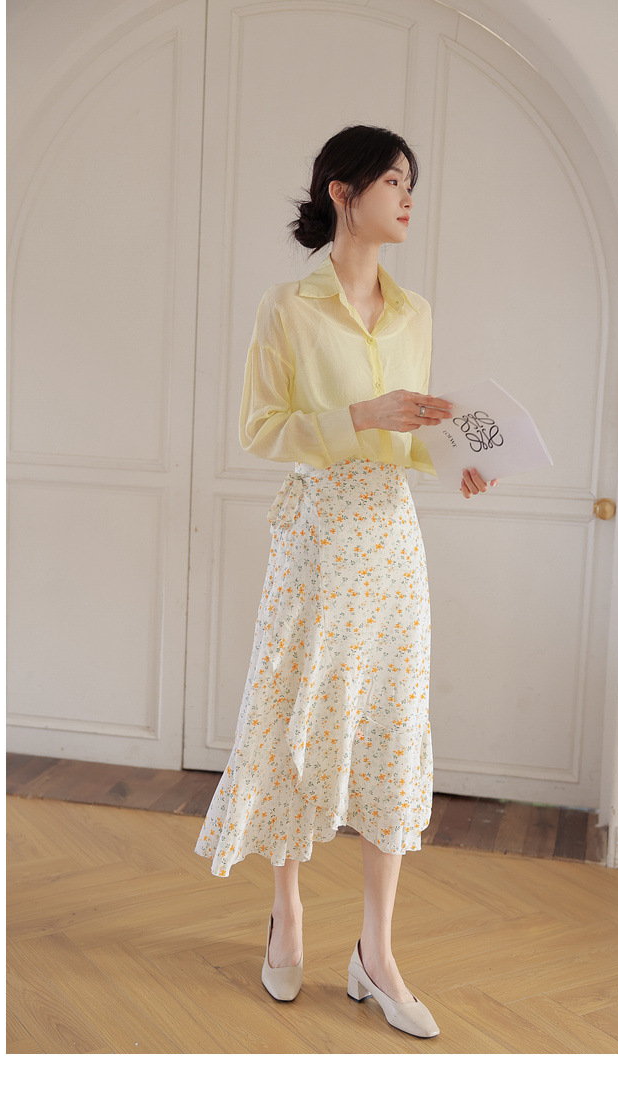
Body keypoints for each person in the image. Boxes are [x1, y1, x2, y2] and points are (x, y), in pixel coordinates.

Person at [194, 123, 497, 1038]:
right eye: (394, 180)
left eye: (412, 183)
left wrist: (456, 463)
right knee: (297, 713)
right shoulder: (287, 308)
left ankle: (376, 952)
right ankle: (286, 911)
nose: (408, 197)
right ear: (342, 191)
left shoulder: (416, 313)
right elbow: (260, 429)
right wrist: (358, 414)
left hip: (391, 537)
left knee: (390, 727)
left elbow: (412, 434)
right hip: (316, 535)